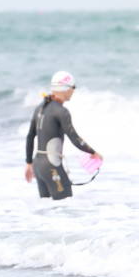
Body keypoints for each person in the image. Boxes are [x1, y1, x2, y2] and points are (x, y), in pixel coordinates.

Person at [25, 71, 103, 200]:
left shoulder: (40, 108)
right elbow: (75, 138)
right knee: (65, 206)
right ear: (66, 88)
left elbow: (30, 136)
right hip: (52, 167)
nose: (73, 91)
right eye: (73, 87)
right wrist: (93, 152)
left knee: (47, 208)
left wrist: (29, 163)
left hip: (38, 166)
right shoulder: (61, 111)